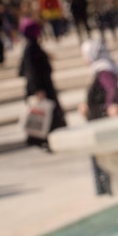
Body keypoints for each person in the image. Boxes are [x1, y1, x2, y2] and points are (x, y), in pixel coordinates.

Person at [79, 39, 118, 195]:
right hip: (100, 123)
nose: (84, 59)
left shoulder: (104, 71)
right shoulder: (101, 69)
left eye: (84, 55)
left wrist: (111, 105)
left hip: (103, 126)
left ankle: (109, 191)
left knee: (106, 163)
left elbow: (111, 89)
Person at [18, 18, 67, 149]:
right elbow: (30, 70)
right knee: (46, 115)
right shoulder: (31, 48)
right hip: (41, 88)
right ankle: (43, 139)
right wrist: (37, 89)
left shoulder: (32, 46)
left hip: (42, 86)